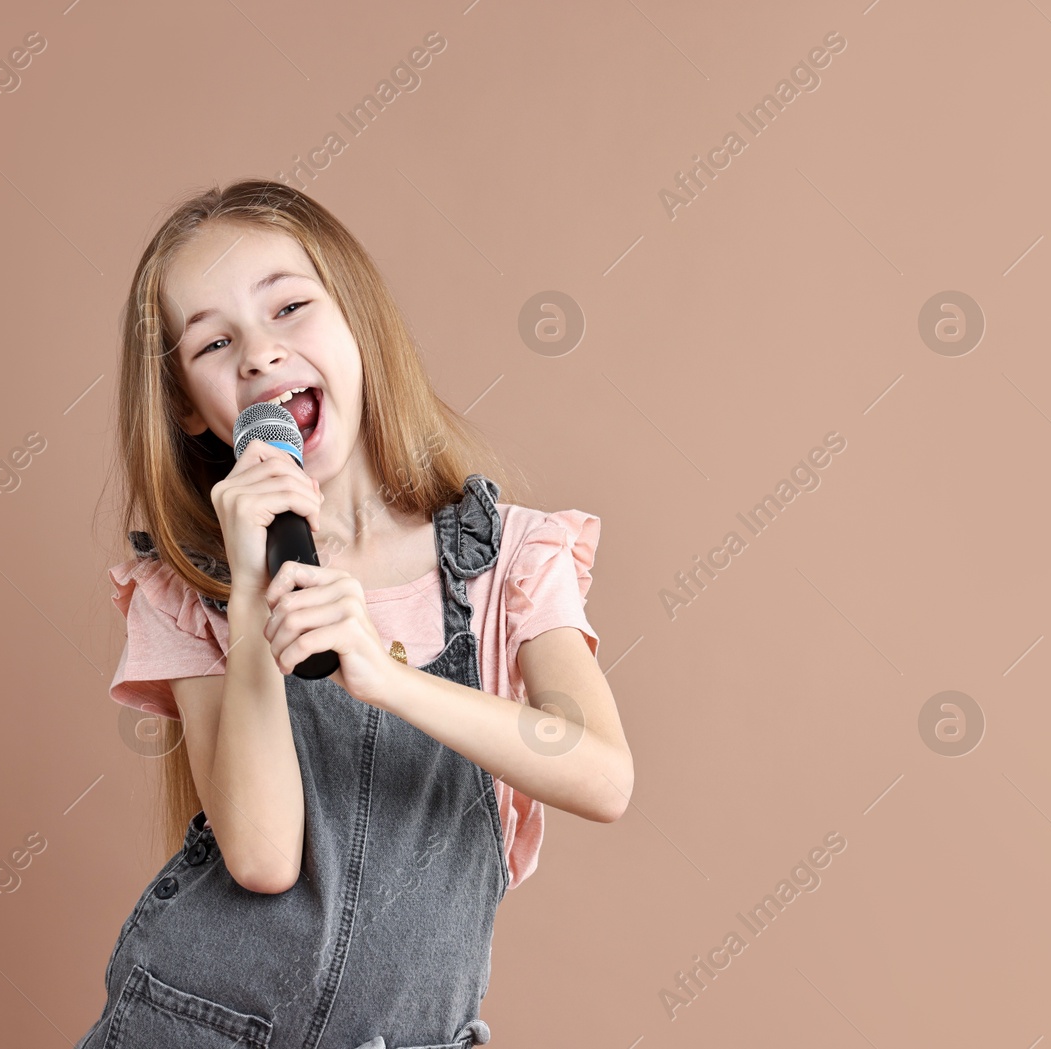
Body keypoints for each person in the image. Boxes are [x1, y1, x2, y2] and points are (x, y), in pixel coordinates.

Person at [75, 179, 634, 1049]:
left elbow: (602, 773)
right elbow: (262, 857)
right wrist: (256, 588)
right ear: (189, 405)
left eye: (290, 307)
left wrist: (385, 675)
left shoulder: (509, 560)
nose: (259, 355)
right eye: (215, 342)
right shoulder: (191, 585)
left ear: (355, 321)